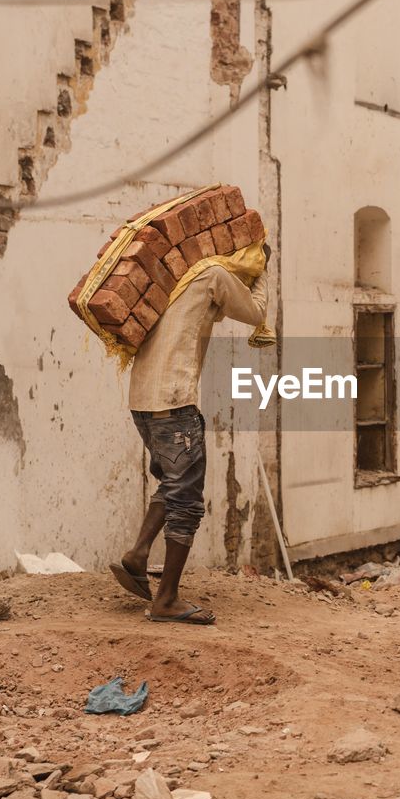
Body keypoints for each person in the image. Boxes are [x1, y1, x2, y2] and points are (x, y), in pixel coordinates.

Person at [109, 243, 270, 624]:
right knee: (188, 500)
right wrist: (262, 274)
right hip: (174, 400)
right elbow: (256, 312)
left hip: (143, 402)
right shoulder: (214, 275)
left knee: (173, 481)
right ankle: (166, 599)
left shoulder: (175, 277)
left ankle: (138, 554)